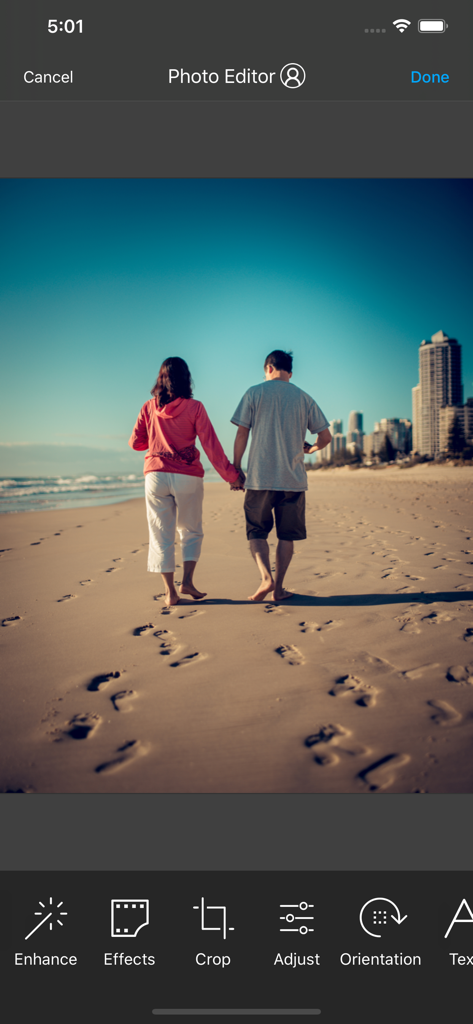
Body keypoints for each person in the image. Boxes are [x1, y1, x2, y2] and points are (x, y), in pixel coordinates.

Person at [129, 357, 242, 607]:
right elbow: (211, 445)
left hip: (155, 476)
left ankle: (170, 593)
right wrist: (232, 476)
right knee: (190, 530)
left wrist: (159, 438)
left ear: (160, 379)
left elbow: (135, 443)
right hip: (187, 476)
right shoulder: (195, 407)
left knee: (161, 535)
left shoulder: (148, 407)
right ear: (186, 378)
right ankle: (187, 581)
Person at [230, 350, 331, 602]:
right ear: (290, 373)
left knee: (257, 532)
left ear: (268, 368)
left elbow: (242, 434)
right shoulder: (304, 397)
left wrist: (236, 467)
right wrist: (310, 449)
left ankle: (266, 577)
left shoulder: (254, 392)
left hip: (259, 478)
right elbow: (326, 437)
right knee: (286, 536)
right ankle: (279, 589)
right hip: (293, 480)